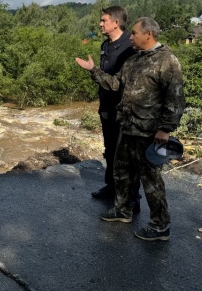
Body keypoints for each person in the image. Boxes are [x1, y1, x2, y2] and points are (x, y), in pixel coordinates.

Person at [75, 17, 185, 241]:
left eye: (134, 33)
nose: (131, 37)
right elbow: (116, 84)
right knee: (121, 171)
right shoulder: (134, 59)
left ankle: (160, 226)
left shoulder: (167, 61)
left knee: (151, 181)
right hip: (127, 127)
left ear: (149, 35)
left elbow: (175, 99)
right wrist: (93, 70)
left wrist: (165, 129)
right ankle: (123, 210)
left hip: (149, 132)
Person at [88, 6, 138, 208]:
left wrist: (93, 71)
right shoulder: (105, 45)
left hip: (125, 110)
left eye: (103, 20)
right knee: (109, 149)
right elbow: (105, 76)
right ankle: (112, 187)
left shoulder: (130, 45)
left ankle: (132, 198)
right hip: (107, 107)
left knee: (127, 154)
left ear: (116, 22)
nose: (100, 24)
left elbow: (121, 82)